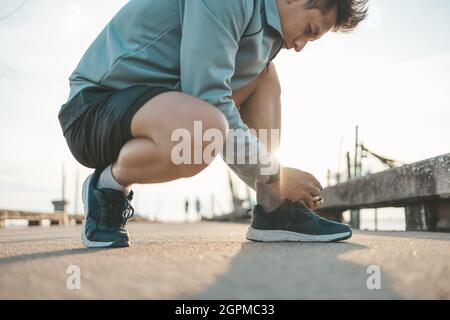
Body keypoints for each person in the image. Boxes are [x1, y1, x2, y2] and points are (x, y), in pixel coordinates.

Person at [58, 0, 368, 248]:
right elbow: (209, 100)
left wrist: (273, 182)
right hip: (92, 109)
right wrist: (276, 172)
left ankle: (274, 209)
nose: (301, 46)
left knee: (264, 75)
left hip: (156, 109)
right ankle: (107, 187)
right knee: (200, 133)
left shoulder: (265, 32)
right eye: (310, 30)